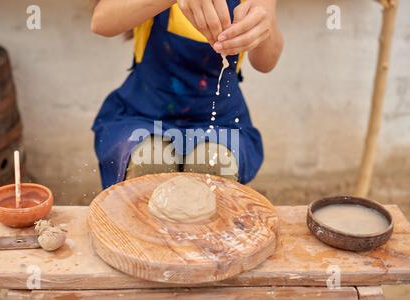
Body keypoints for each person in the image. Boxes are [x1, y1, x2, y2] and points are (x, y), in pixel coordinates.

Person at [91, 0, 283, 188]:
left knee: (213, 163)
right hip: (144, 113)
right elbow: (101, 22)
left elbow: (265, 63)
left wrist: (263, 26)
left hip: (221, 121)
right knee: (150, 159)